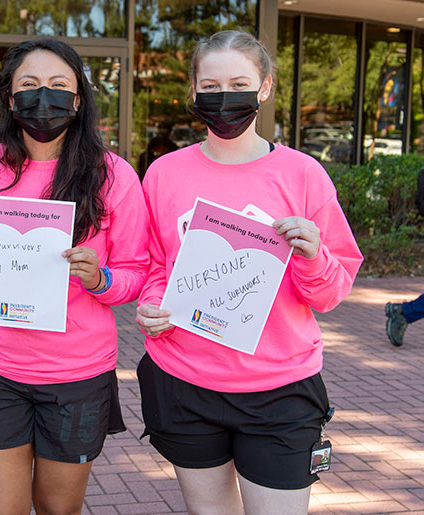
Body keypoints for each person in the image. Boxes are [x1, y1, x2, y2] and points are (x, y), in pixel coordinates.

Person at [136, 30, 363, 514]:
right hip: (185, 380)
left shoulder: (303, 175)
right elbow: (158, 264)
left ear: (264, 87)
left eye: (239, 83)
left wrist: (312, 255)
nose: (224, 98)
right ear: (194, 92)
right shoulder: (163, 174)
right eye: (210, 86)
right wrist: (153, 304)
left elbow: (330, 291)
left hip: (279, 390)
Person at [0, 38, 149, 514]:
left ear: (79, 98)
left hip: (77, 375)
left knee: (58, 509)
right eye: (30, 85)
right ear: (9, 96)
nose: (45, 96)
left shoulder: (114, 176)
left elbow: (136, 274)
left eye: (59, 85)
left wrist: (99, 279)